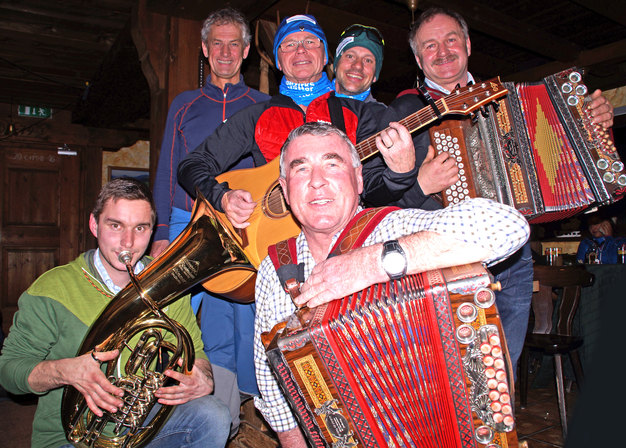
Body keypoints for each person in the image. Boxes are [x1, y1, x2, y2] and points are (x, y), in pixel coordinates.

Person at [359, 7, 617, 372]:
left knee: (501, 373)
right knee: (449, 378)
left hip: (514, 262)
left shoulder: (507, 99)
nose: (443, 51)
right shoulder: (401, 111)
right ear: (418, 59)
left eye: (451, 40)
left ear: (467, 44)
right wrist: (420, 185)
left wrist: (591, 124)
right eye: (430, 46)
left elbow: (560, 151)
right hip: (442, 262)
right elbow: (370, 197)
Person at [252, 122, 530, 447]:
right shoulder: (275, 267)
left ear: (358, 179)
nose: (316, 182)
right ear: (285, 190)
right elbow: (269, 374)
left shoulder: (391, 228)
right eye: (301, 170)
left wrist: (372, 262)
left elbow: (509, 226)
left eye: (332, 164)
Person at [0, 178, 230, 448]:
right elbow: (8, 371)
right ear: (94, 225)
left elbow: (197, 353)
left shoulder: (170, 285)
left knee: (214, 415)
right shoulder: (52, 289)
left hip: (139, 426)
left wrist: (201, 378)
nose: (128, 243)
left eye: (140, 228)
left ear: (152, 230)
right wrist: (65, 371)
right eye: (115, 225)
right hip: (69, 438)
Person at [150, 7, 269, 433]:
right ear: (204, 49)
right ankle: (158, 402)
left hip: (241, 222)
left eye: (233, 43)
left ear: (246, 51)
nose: (224, 52)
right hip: (187, 218)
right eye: (216, 43)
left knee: (240, 315)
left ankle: (239, 409)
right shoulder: (184, 105)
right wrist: (163, 233)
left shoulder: (261, 105)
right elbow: (167, 168)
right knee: (170, 313)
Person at [177, 14, 398, 231]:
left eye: (310, 42)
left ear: (325, 58)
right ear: (279, 63)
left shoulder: (359, 114)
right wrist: (222, 198)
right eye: (289, 44)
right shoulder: (257, 116)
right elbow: (191, 165)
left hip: (344, 240)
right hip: (276, 244)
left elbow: (373, 190)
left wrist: (401, 173)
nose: (301, 49)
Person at [331, 24, 384, 103]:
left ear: (375, 76)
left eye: (368, 60)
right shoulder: (308, 104)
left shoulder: (382, 114)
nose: (358, 66)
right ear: (335, 66)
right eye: (350, 56)